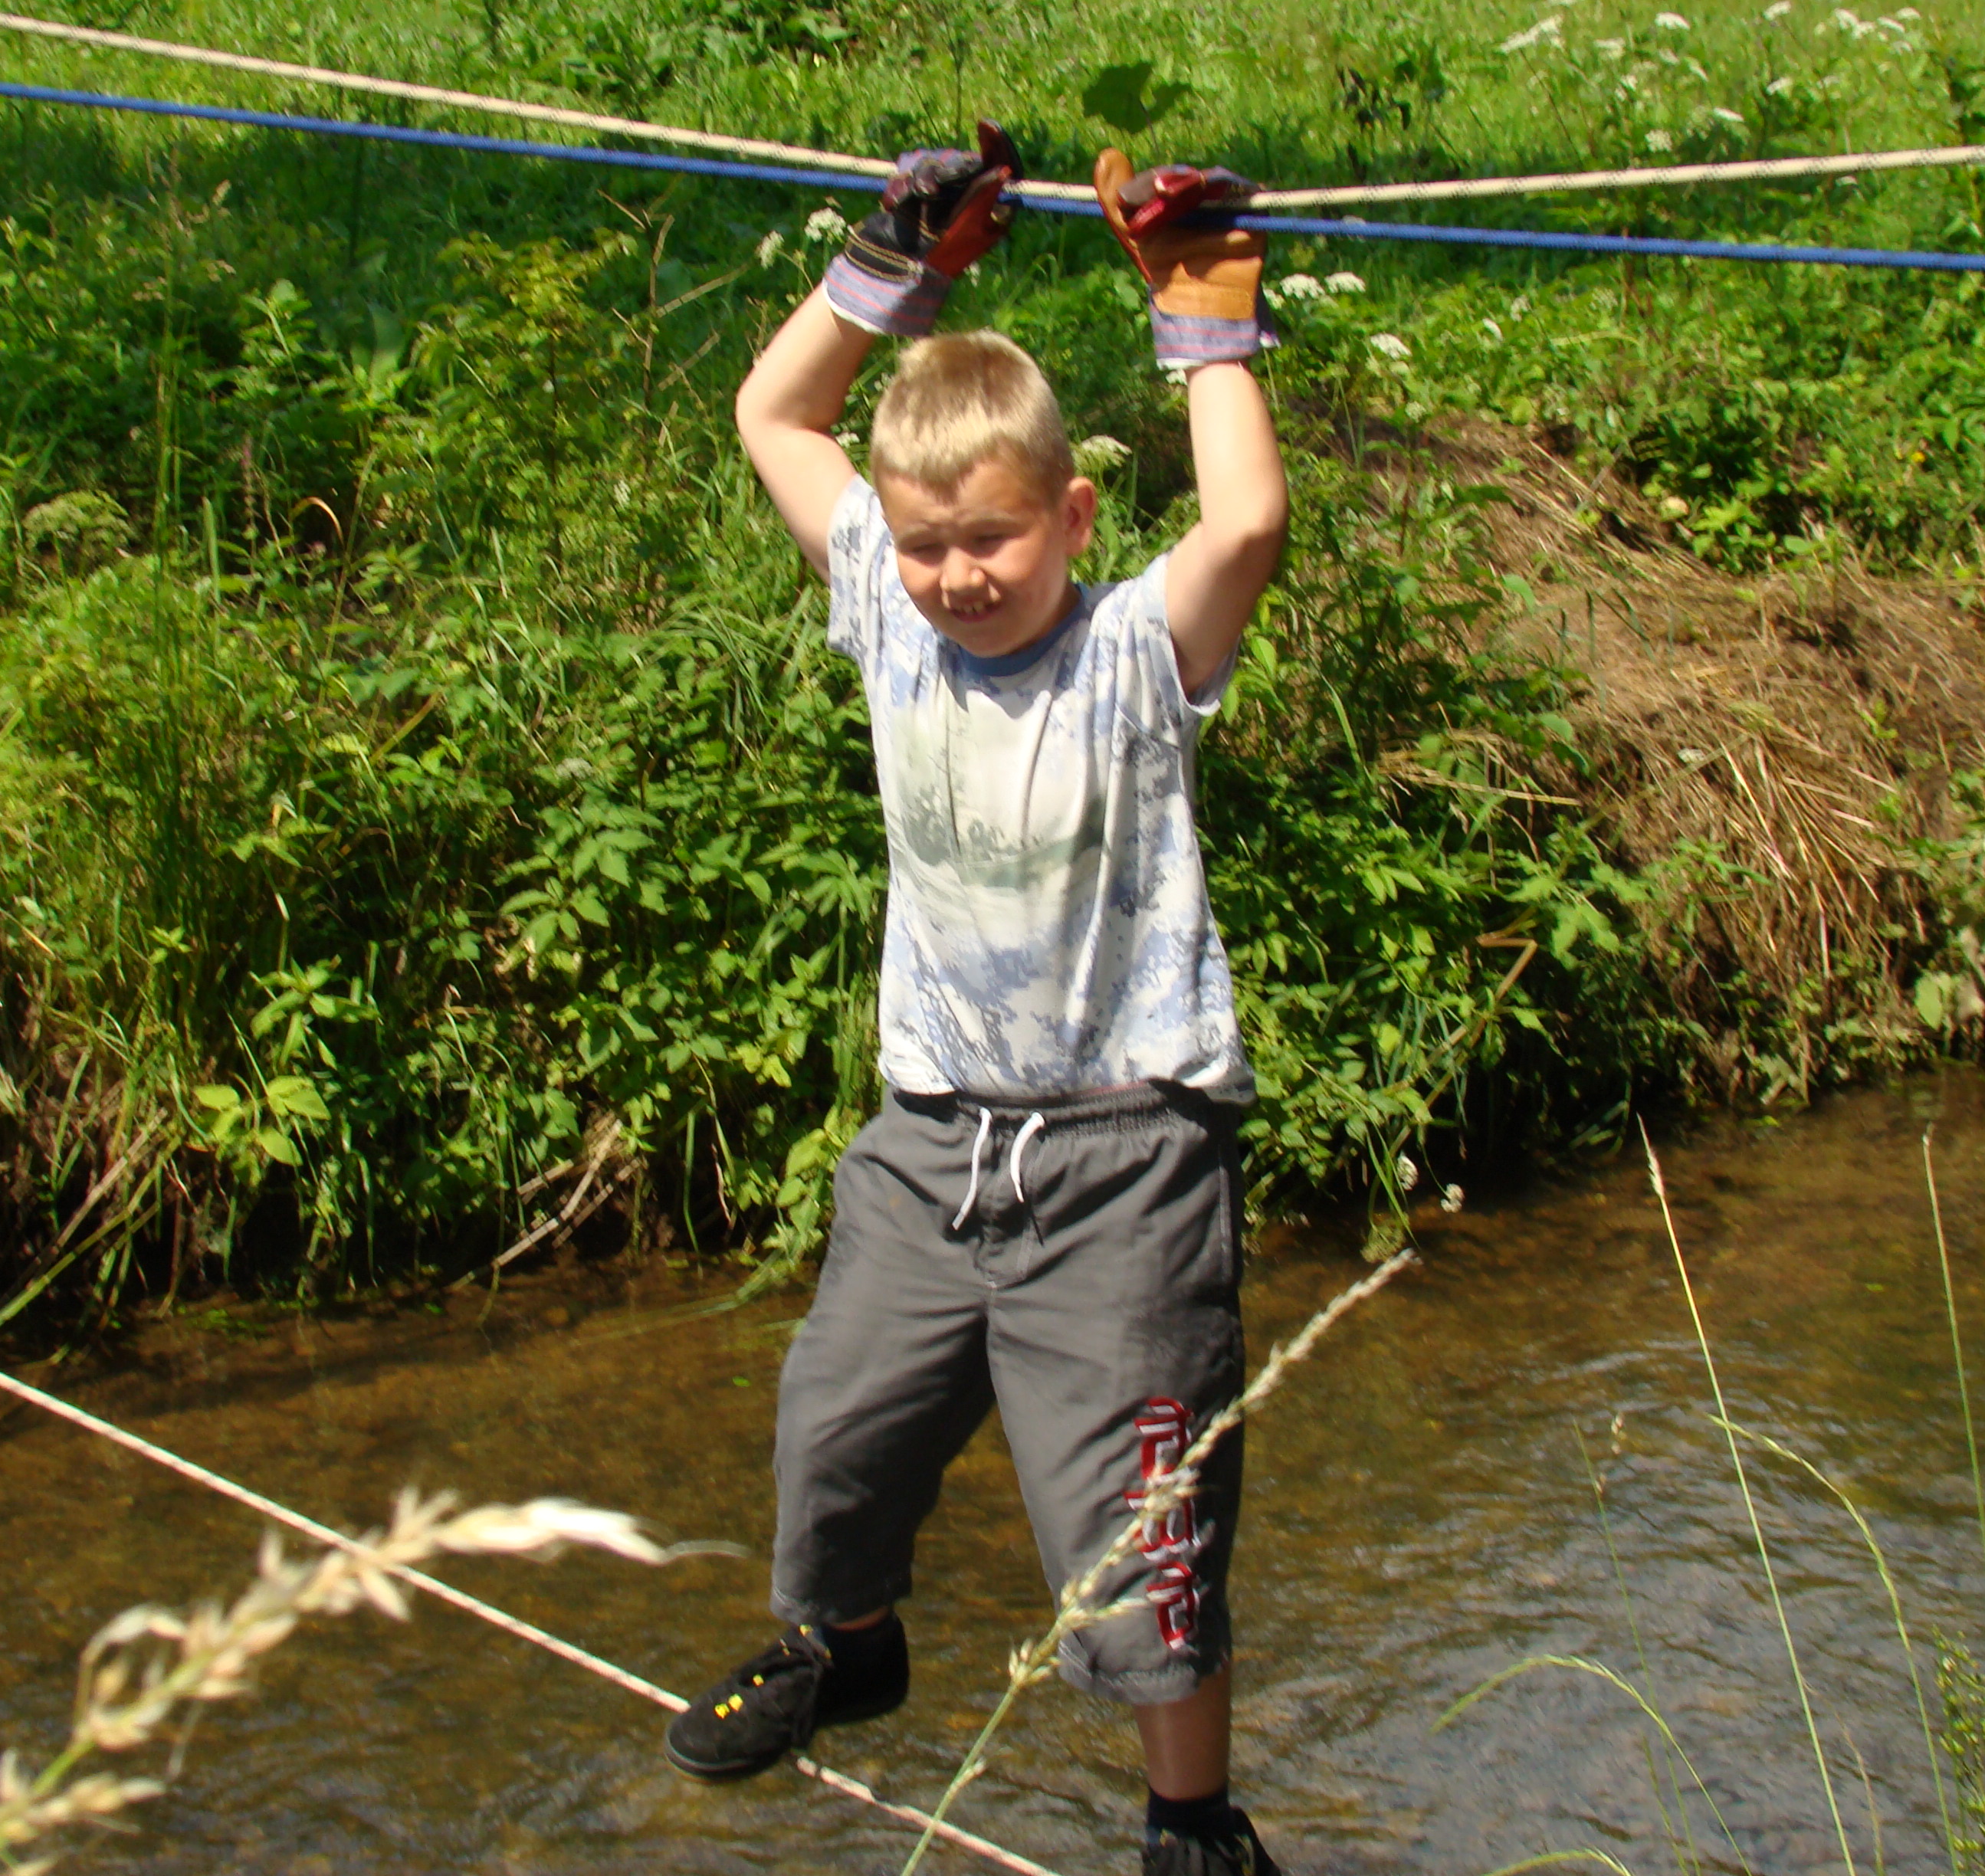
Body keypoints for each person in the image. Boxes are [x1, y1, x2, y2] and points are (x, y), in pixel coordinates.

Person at [663, 123, 1290, 1876]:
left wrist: (1200, 309)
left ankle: (1191, 1819)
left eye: (995, 540)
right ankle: (849, 1651)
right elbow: (774, 414)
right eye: (928, 543)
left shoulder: (1135, 653)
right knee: (834, 1426)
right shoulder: (885, 605)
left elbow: (1246, 517)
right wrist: (894, 267)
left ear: (1073, 518)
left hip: (1127, 1160)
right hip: (933, 1142)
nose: (958, 574)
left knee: (1144, 1529)